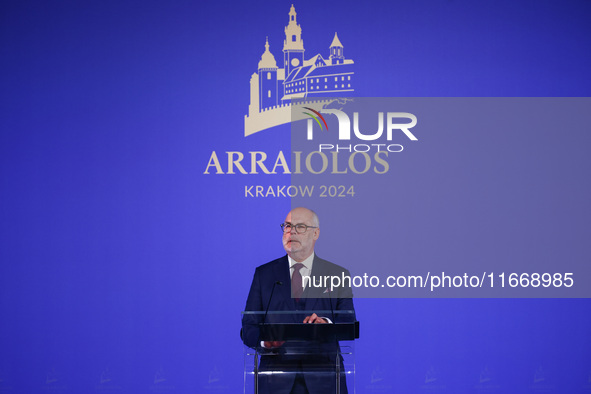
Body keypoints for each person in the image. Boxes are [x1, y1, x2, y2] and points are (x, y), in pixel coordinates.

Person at [242, 207, 355, 394]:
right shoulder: (264, 274)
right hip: (275, 381)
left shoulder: (337, 274)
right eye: (287, 226)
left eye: (300, 226)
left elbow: (348, 323)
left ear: (316, 233)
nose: (291, 231)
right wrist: (266, 342)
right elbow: (248, 328)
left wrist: (325, 324)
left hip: (324, 380)